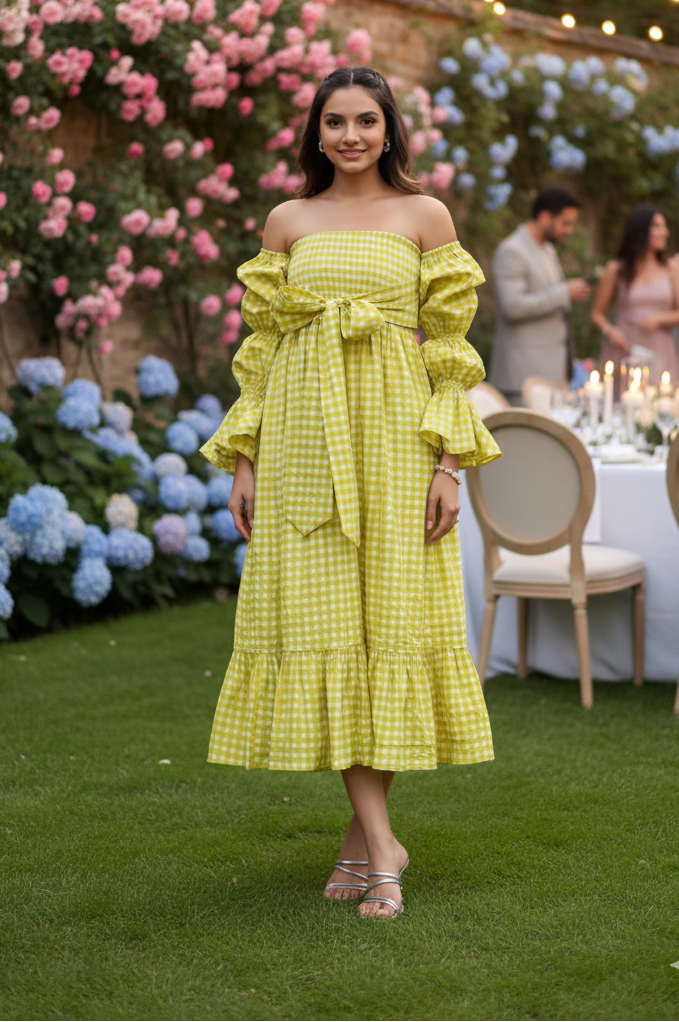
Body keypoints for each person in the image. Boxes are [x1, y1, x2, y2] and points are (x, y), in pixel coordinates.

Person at [201, 66, 500, 919]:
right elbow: (259, 352)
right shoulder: (287, 221)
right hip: (303, 437)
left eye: (365, 121)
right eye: (334, 122)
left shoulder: (425, 216)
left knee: (388, 625)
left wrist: (448, 464)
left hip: (396, 436)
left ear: (388, 128)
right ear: (316, 132)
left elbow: (449, 348)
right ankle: (379, 844)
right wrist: (244, 461)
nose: (350, 137)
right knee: (329, 622)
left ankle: (367, 844)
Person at [489, 187, 591, 404]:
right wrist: (564, 292)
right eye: (566, 223)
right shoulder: (512, 250)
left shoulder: (548, 249)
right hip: (521, 376)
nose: (570, 230)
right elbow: (512, 307)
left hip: (551, 373)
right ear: (545, 217)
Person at [591, 206, 679, 392]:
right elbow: (597, 313)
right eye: (657, 226)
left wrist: (659, 318)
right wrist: (609, 330)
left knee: (659, 407)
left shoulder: (671, 269)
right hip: (625, 349)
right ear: (640, 230)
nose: (665, 232)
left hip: (660, 350)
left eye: (664, 226)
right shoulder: (616, 270)